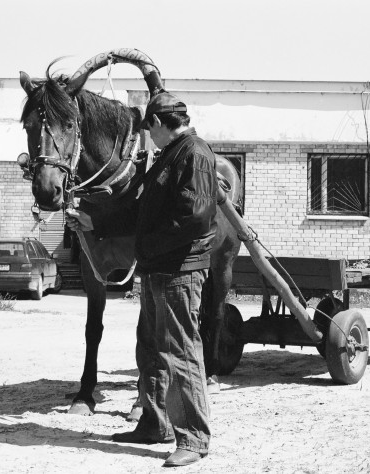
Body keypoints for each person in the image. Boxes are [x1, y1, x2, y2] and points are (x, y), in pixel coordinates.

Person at [66, 91, 215, 468]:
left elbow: (196, 216)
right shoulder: (168, 156)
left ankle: (194, 439)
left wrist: (150, 244)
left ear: (163, 124)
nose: (147, 135)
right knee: (150, 349)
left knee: (181, 354)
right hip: (157, 270)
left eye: (150, 128)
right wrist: (95, 222)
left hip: (180, 270)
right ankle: (155, 423)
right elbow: (140, 212)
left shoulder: (195, 154)